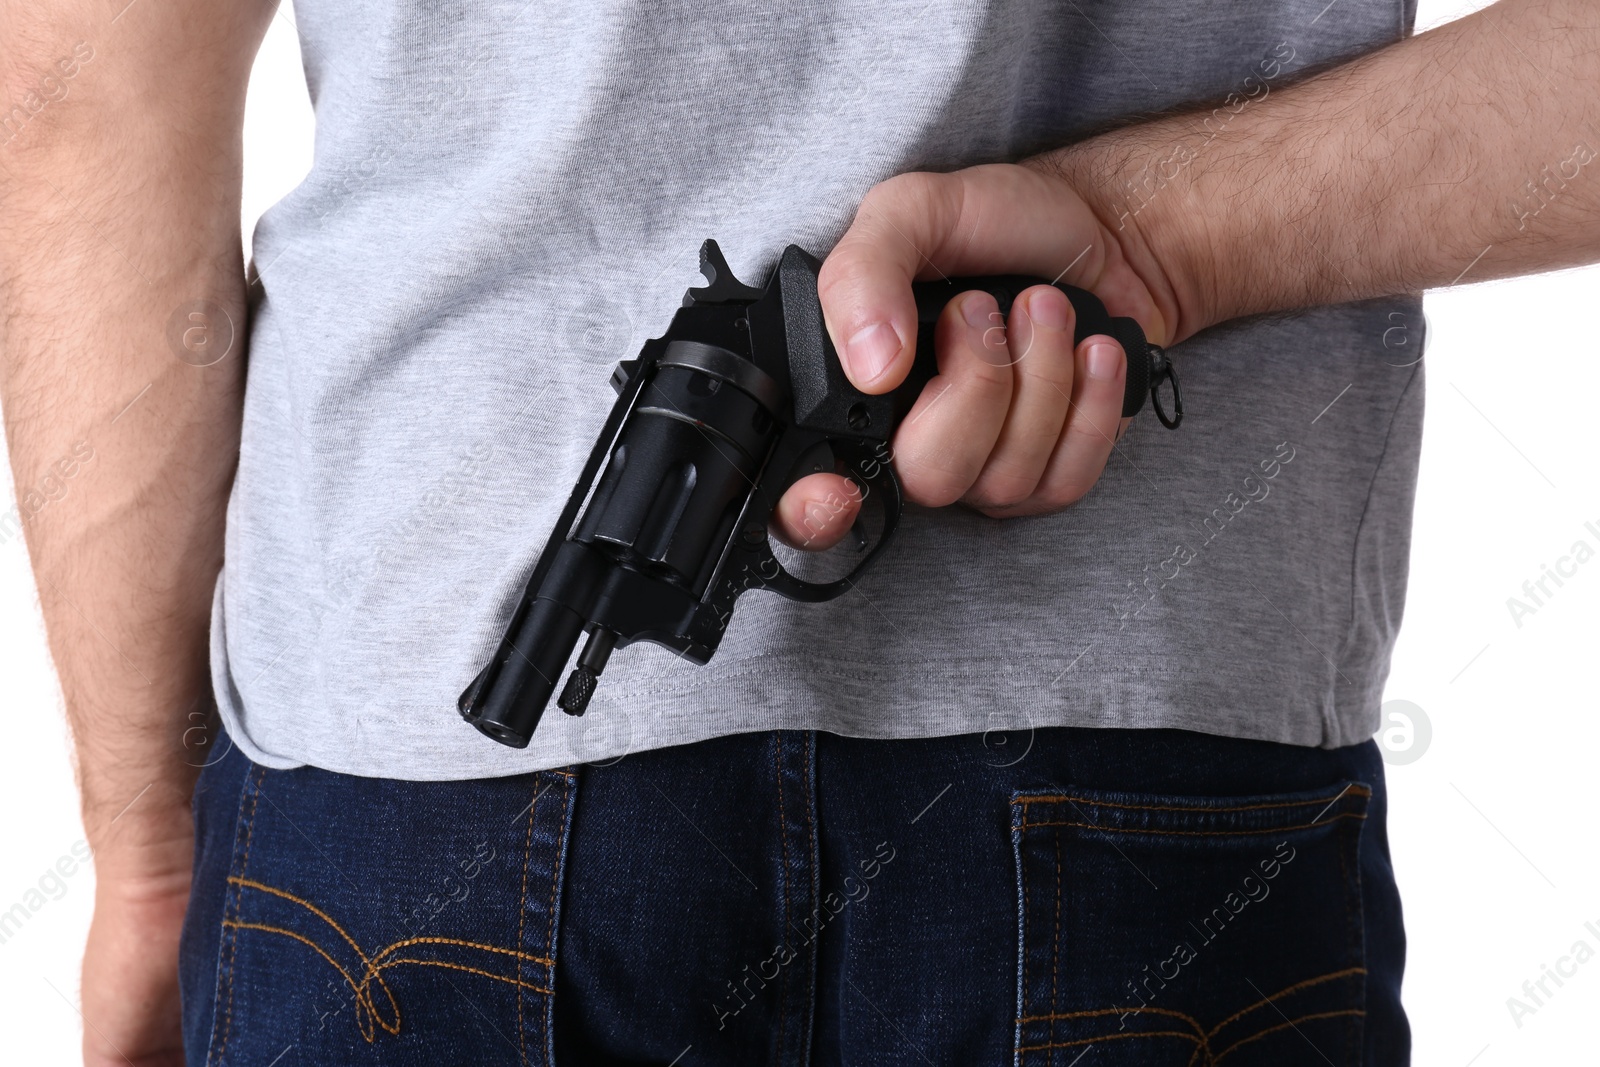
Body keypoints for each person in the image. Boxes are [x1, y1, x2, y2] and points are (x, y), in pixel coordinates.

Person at [2, 0, 1595, 1062]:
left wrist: (149, 866)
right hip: (1166, 784)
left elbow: (73, 91)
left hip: (409, 838)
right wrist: (1163, 232)